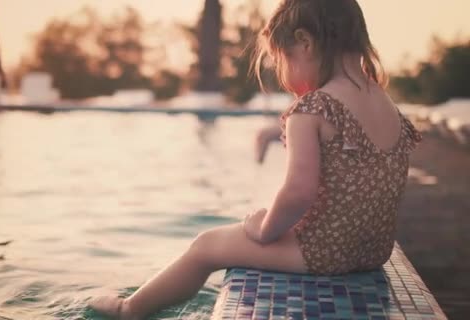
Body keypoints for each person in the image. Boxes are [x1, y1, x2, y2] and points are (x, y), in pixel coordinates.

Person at [89, 0, 422, 318]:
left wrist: (263, 229)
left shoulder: (312, 108)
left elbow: (298, 193)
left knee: (206, 246)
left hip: (326, 255)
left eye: (282, 58)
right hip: (374, 251)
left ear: (304, 42)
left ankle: (129, 310)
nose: (281, 74)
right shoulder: (385, 102)